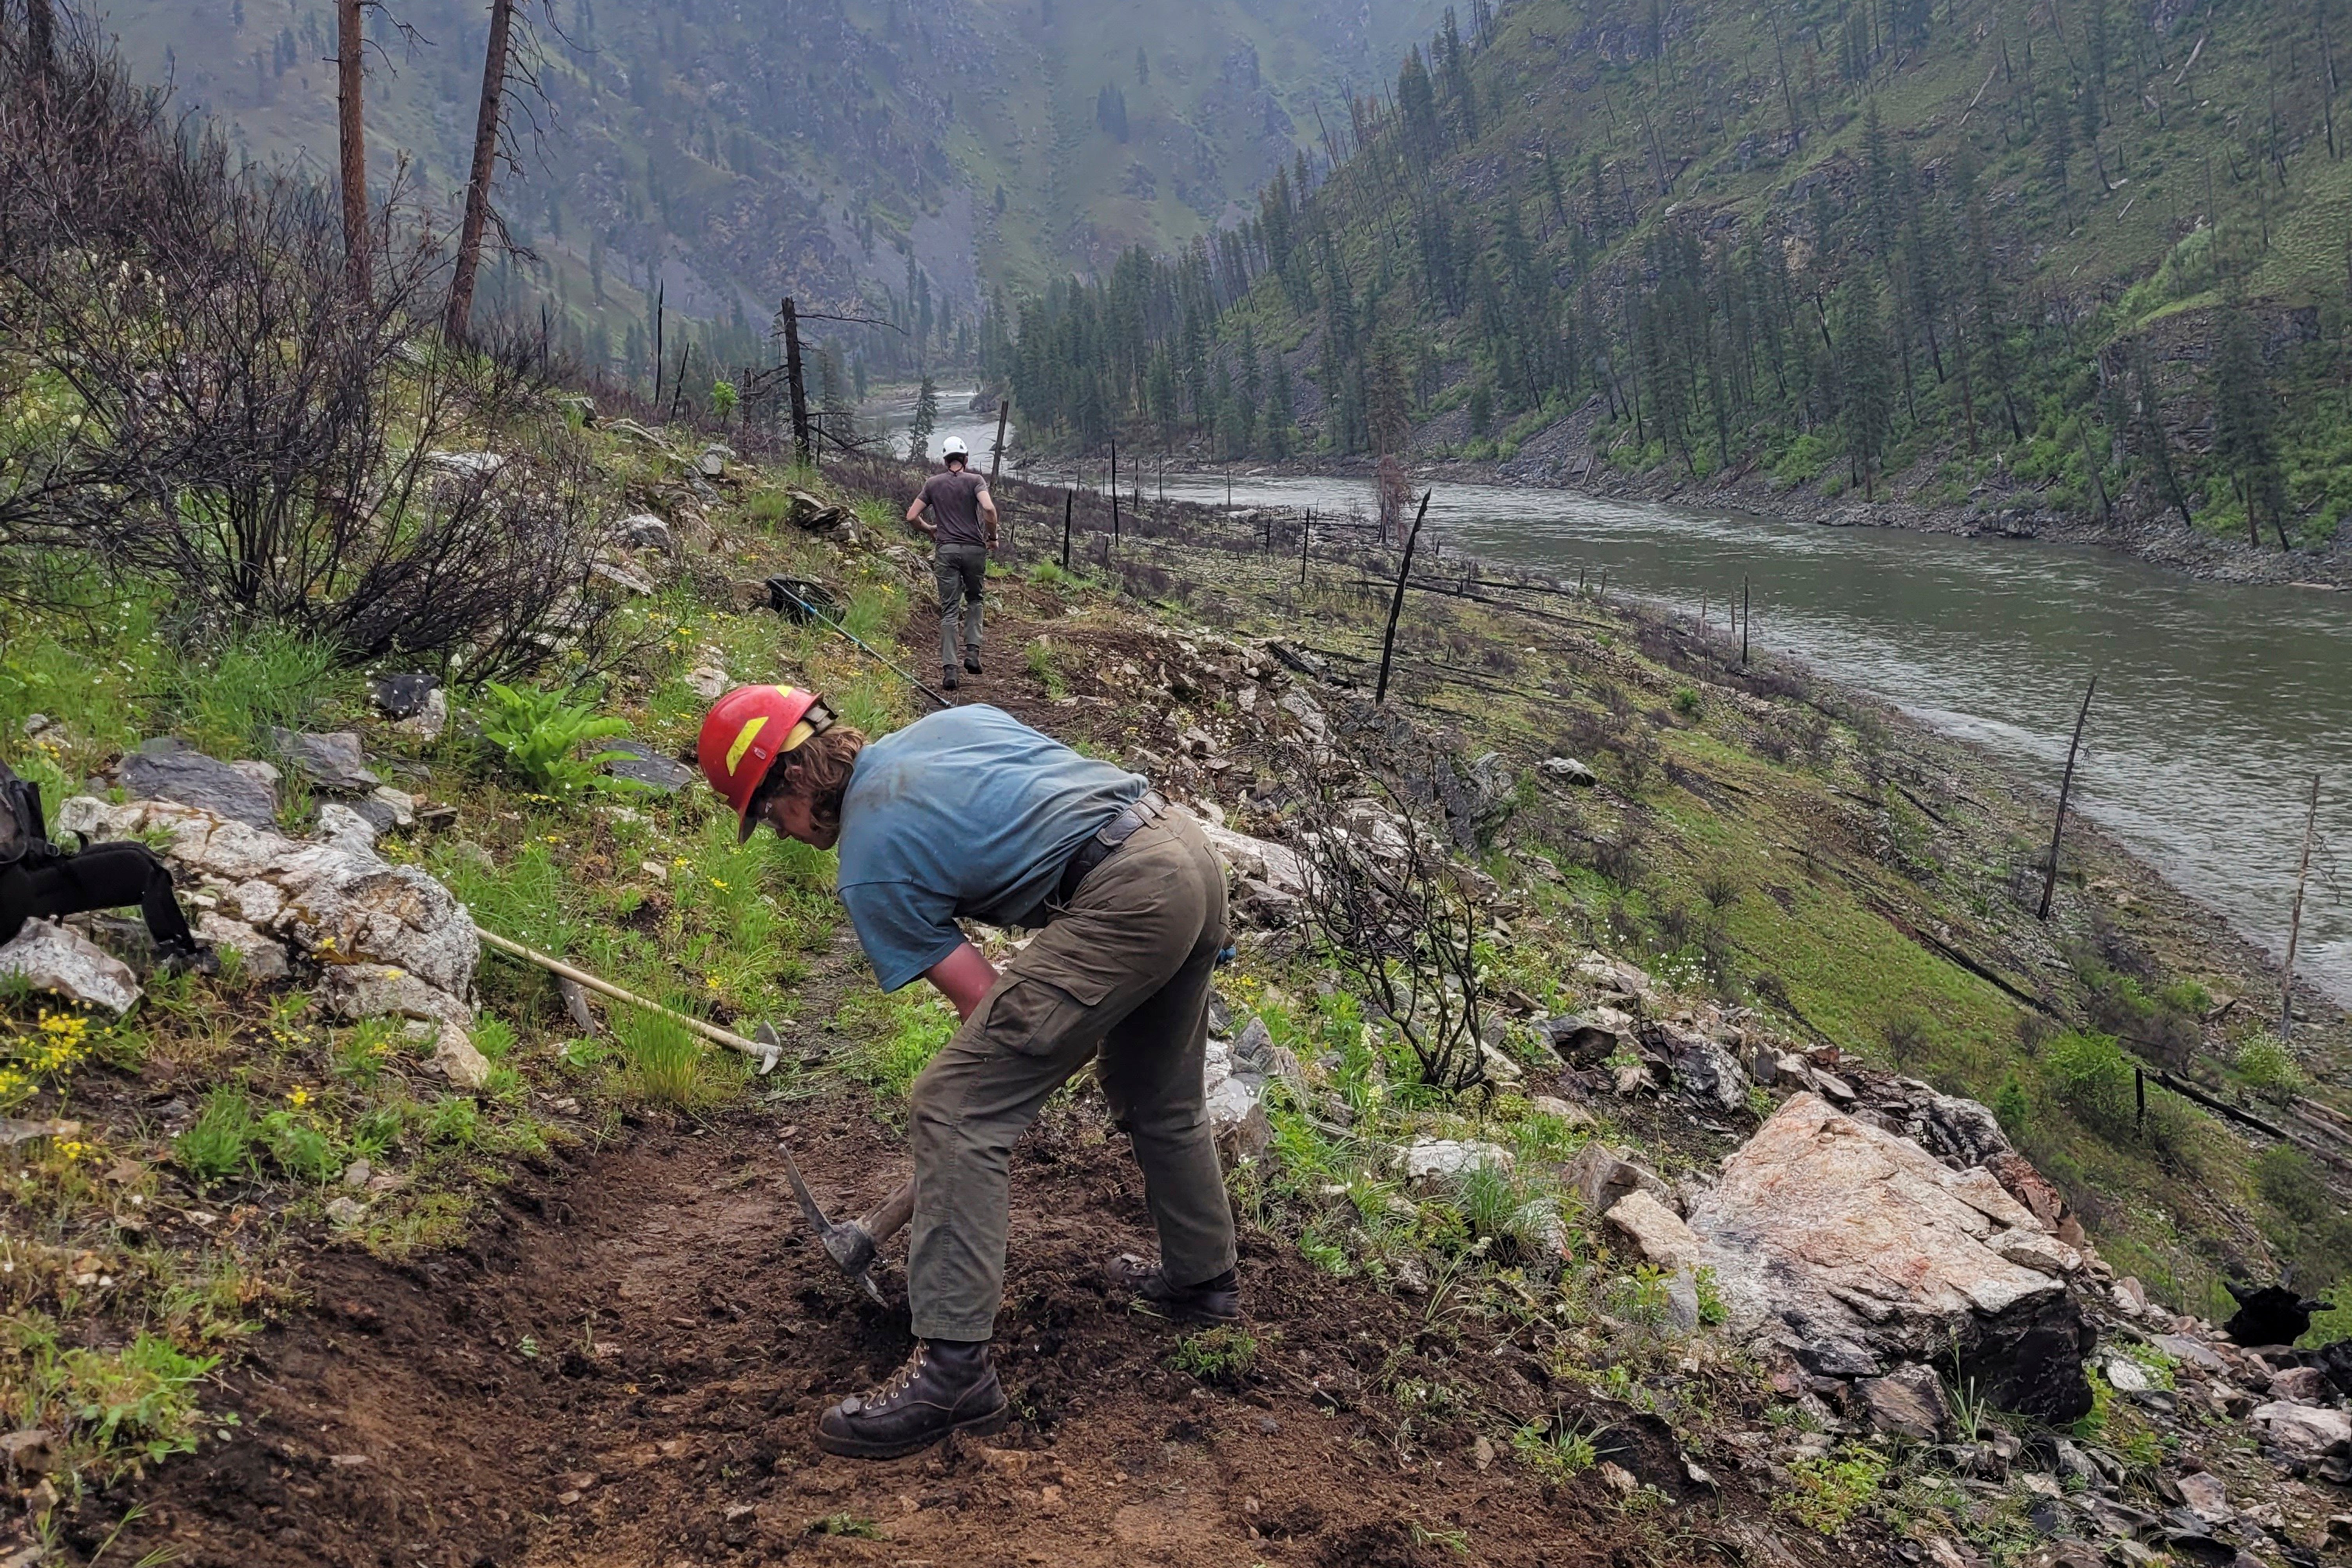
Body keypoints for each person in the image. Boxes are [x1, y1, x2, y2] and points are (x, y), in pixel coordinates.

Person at [697, 685, 1237, 1459]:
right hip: (1185, 852)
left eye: (768, 812)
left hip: (1128, 897)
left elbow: (984, 1005)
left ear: (797, 777)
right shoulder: (946, 727)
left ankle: (953, 1373)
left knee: (954, 1104)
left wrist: (1023, 1053)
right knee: (1158, 1090)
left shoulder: (868, 864)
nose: (778, 832)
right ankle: (1203, 1280)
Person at [906, 437, 998, 692]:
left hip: (946, 551)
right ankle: (973, 653)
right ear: (966, 459)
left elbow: (912, 516)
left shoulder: (933, 484)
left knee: (949, 610)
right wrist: (992, 537)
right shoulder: (976, 481)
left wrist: (930, 529)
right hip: (974, 550)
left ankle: (950, 670)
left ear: (945, 461)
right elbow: (989, 510)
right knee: (975, 599)